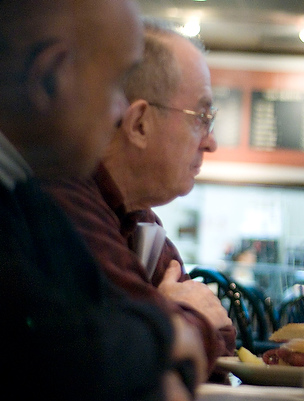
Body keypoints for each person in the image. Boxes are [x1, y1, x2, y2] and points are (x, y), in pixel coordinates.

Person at [0, 1, 208, 400]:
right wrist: (168, 333)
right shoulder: (36, 200)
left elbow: (91, 331)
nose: (120, 112)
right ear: (50, 78)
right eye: (116, 84)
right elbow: (61, 357)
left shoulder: (27, 199)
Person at [43, 20, 236, 381]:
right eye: (202, 117)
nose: (210, 143)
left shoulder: (141, 222)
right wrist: (176, 318)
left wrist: (176, 321)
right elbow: (136, 360)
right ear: (140, 124)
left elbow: (217, 336)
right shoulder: (67, 202)